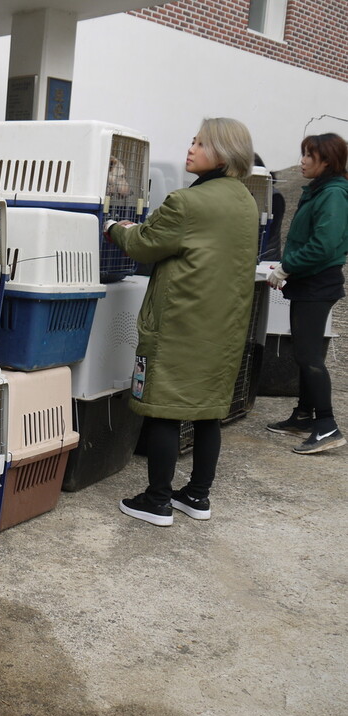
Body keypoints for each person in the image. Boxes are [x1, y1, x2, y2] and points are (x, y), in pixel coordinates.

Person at [103, 118, 259, 526]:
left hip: (178, 324)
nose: (190, 148)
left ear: (223, 154)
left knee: (163, 410)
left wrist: (114, 228)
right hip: (222, 328)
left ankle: (156, 500)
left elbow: (144, 244)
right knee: (208, 412)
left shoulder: (187, 203)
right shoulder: (245, 200)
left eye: (200, 143)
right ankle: (197, 496)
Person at [265, 133, 348, 454]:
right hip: (309, 281)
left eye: (308, 156)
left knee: (310, 356)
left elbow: (324, 244)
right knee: (304, 351)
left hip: (318, 283)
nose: (301, 161)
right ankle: (303, 415)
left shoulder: (334, 195)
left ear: (326, 161)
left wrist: (287, 267)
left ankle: (327, 425)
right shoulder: (320, 191)